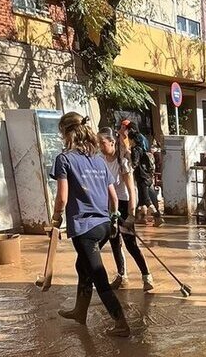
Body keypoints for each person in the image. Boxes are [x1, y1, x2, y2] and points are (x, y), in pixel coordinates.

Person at [51, 112, 131, 337]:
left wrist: (56, 219)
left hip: (84, 229)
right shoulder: (99, 160)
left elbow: (62, 198)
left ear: (67, 133)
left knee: (98, 276)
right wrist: (114, 219)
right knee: (82, 267)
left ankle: (121, 323)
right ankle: (80, 311)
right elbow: (114, 198)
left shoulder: (64, 159)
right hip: (104, 225)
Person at [98, 127, 154, 292]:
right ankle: (122, 276)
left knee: (130, 243)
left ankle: (146, 276)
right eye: (98, 143)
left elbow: (132, 191)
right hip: (108, 204)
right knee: (114, 241)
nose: (101, 147)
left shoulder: (123, 161)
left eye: (103, 143)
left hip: (123, 203)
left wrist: (131, 215)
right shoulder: (99, 160)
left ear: (112, 142)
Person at [127, 125, 164, 227]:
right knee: (142, 199)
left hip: (141, 178)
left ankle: (158, 217)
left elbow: (134, 163)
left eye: (129, 139)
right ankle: (141, 217)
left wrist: (128, 159)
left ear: (132, 140)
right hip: (148, 177)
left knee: (147, 200)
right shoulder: (144, 149)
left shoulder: (135, 149)